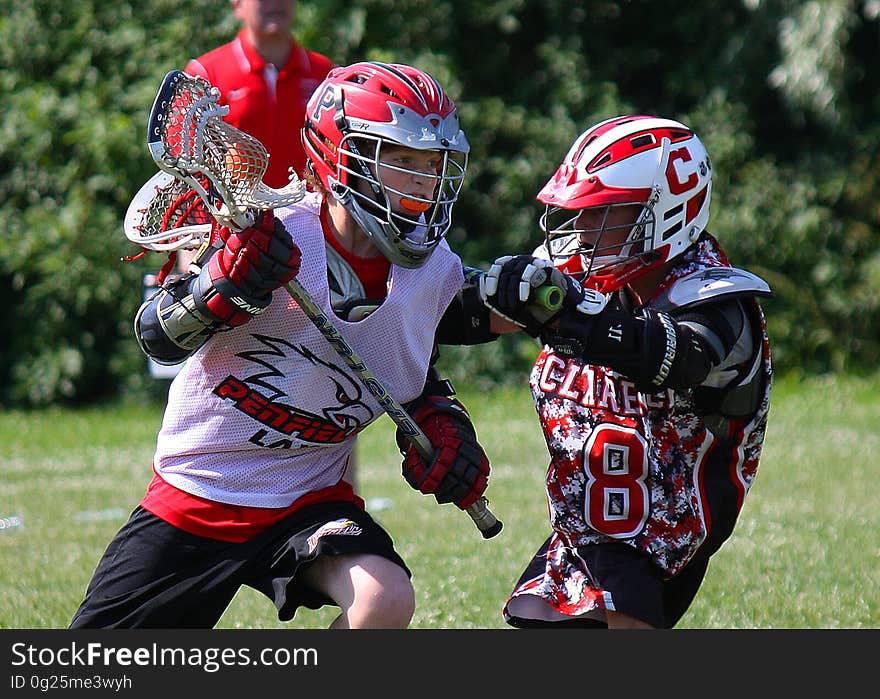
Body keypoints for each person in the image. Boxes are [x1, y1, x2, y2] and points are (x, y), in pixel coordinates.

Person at [70, 61, 499, 629]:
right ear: (340, 156)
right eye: (400, 161)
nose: (422, 182)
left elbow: (407, 365)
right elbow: (157, 337)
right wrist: (222, 288)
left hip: (310, 496)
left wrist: (441, 421)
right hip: (202, 490)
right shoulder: (265, 232)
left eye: (431, 164)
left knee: (384, 597)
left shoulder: (432, 271)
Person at [479, 115, 773, 629]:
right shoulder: (583, 269)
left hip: (660, 534)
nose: (585, 230)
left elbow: (676, 357)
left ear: (665, 214)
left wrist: (571, 314)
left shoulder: (718, 300)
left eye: (605, 214)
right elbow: (459, 315)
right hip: (588, 528)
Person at [185, 0, 333, 189]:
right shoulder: (205, 74)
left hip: (309, 214)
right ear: (237, 5)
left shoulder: (324, 73)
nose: (275, 4)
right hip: (234, 216)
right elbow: (186, 167)